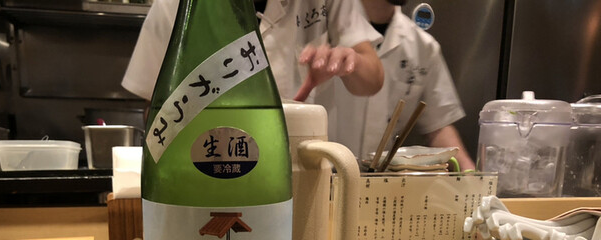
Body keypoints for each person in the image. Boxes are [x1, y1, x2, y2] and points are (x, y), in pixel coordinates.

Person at [122, 0, 384, 106]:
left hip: (301, 163)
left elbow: (373, 79)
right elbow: (154, 105)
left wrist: (349, 62)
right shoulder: (176, 4)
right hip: (210, 160)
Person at [323, 0, 475, 170]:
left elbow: (438, 125)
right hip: (323, 173)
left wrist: (469, 173)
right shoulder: (323, 24)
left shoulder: (423, 47)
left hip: (383, 178)